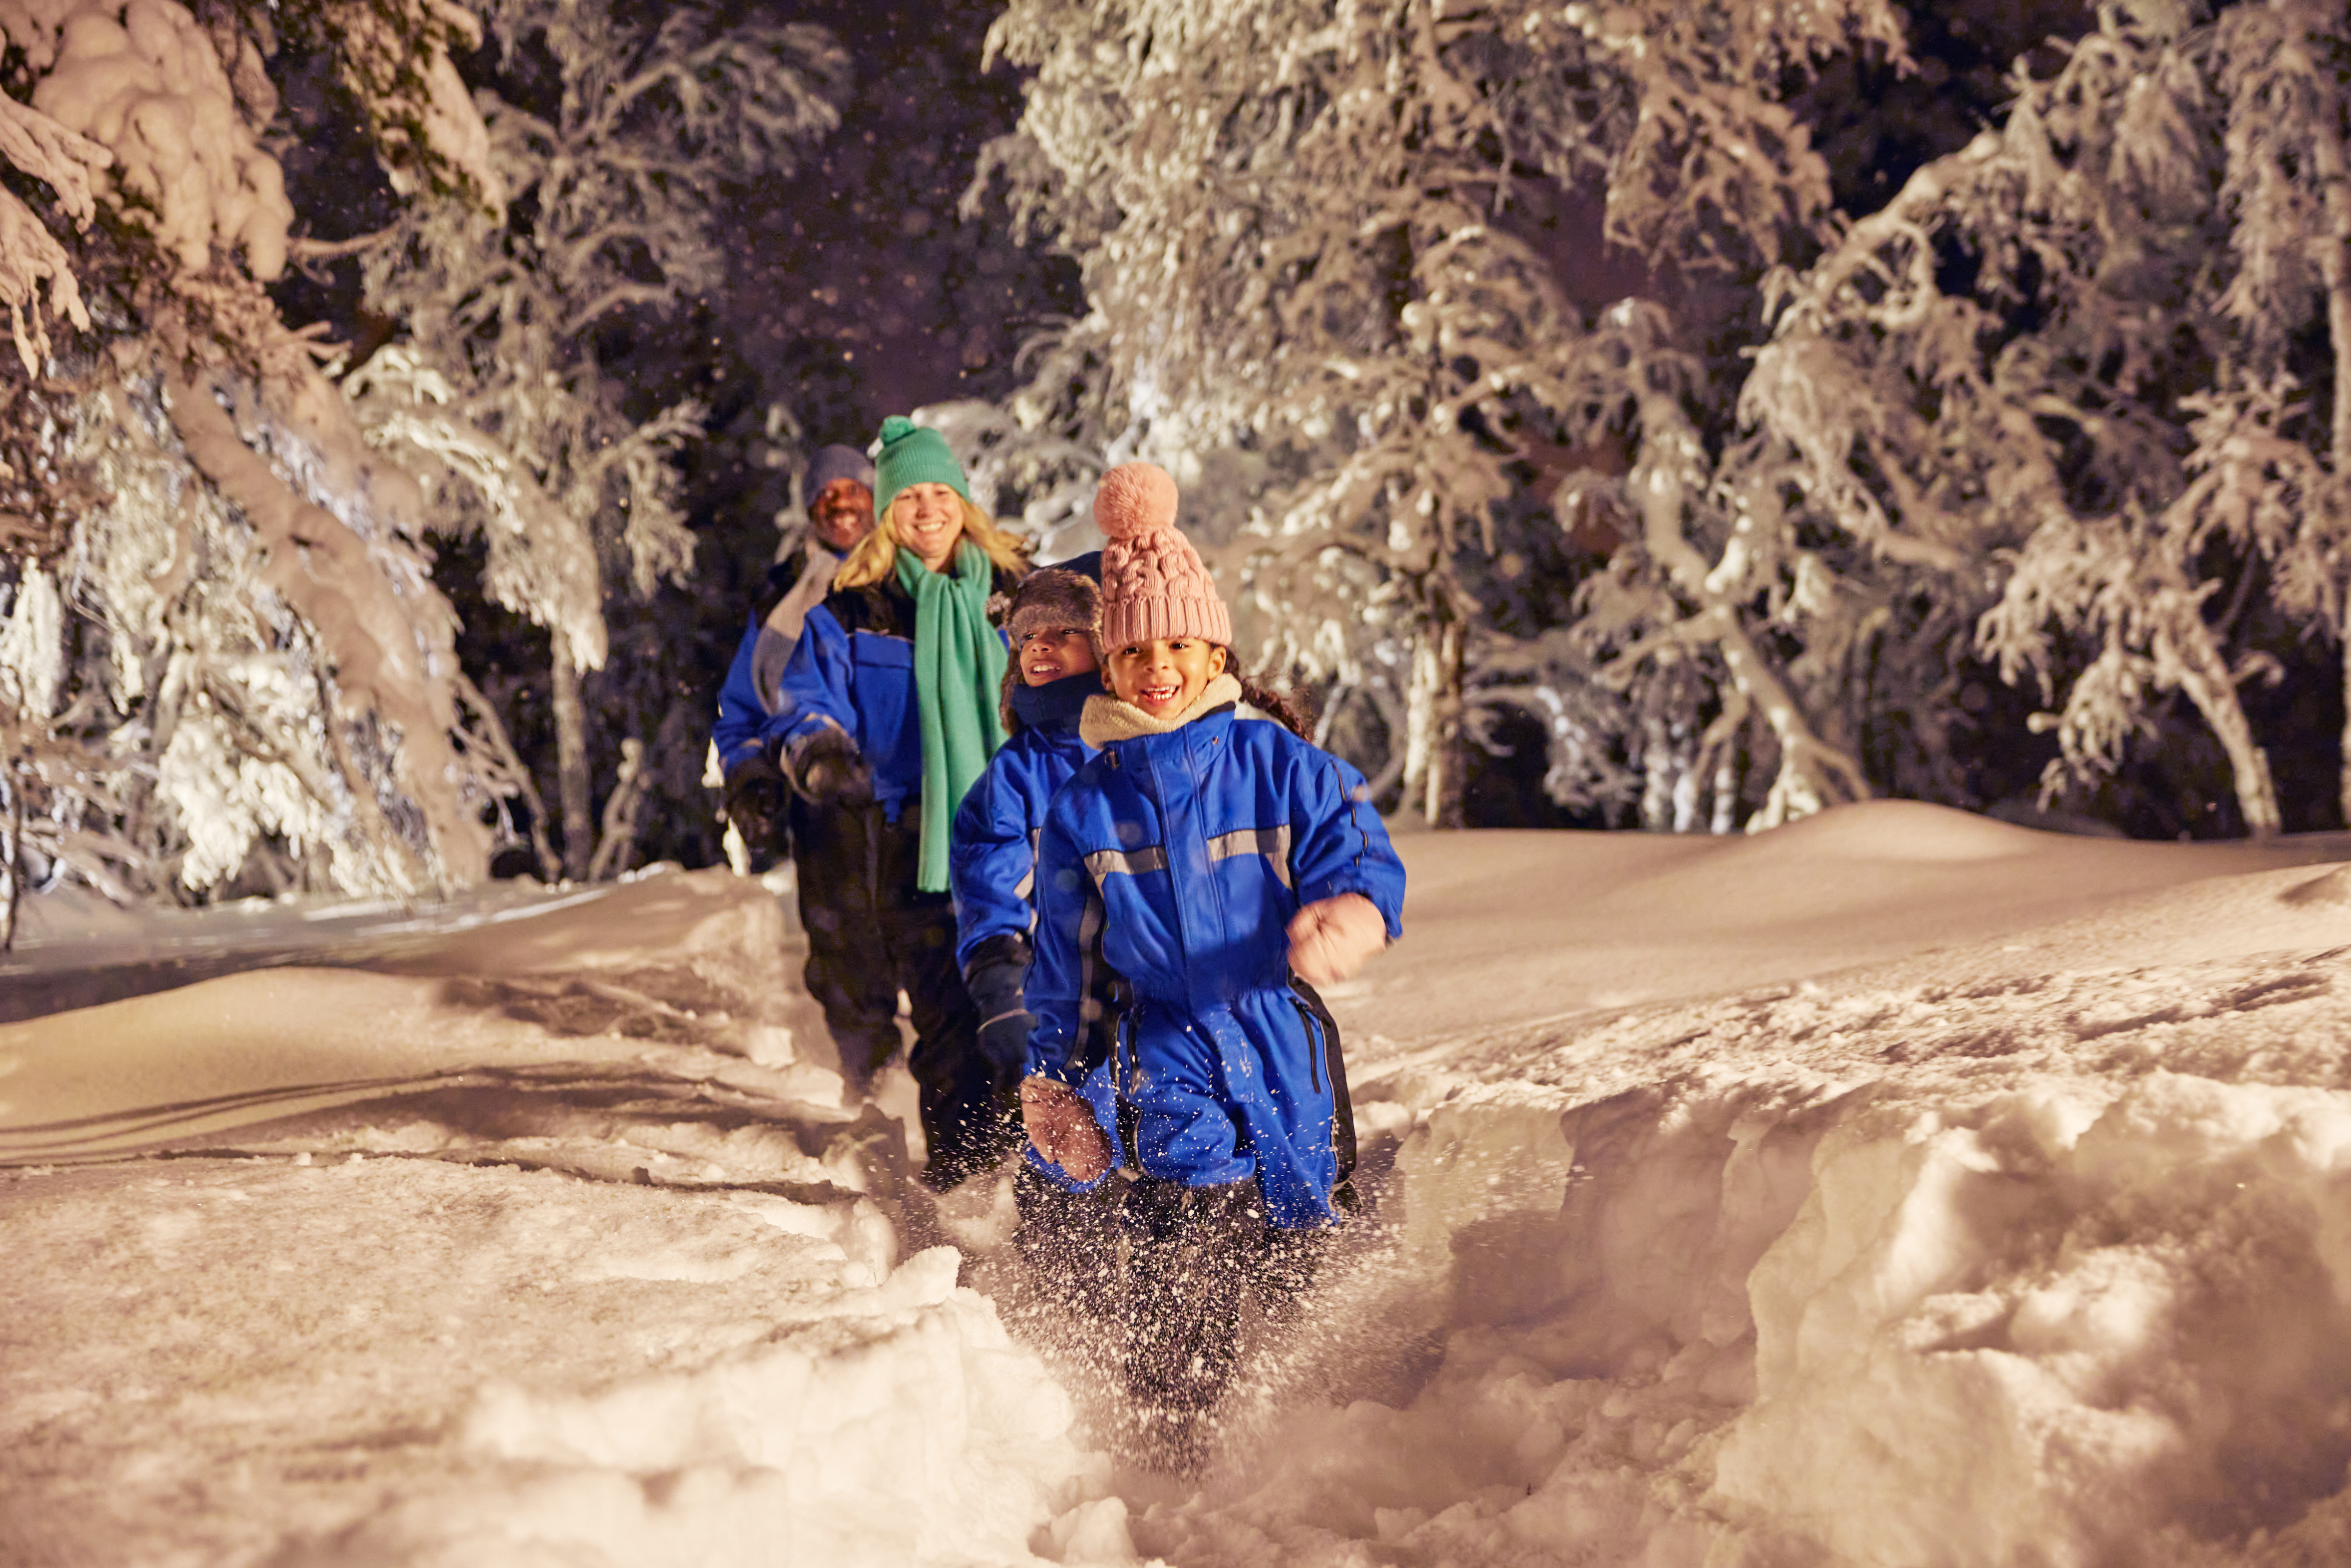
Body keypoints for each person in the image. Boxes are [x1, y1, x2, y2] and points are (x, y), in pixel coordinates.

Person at [1019, 462, 1405, 1453]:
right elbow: (1067, 961)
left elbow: (1353, 840)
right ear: (1109, 669)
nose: (1158, 667)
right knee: (1185, 1232)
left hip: (1284, 1038)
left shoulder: (1278, 763)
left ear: (1214, 650)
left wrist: (1353, 907)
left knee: (1299, 1226)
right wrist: (1056, 1078)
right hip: (1165, 1046)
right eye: (1134, 650)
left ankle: (1304, 1424)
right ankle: (1176, 1438)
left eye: (1178, 645)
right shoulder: (1085, 807)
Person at [767, 416, 1032, 1189]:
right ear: (888, 513)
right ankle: (965, 1189)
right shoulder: (852, 613)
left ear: (964, 501)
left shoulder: (1018, 599)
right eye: (909, 496)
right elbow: (803, 703)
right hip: (916, 848)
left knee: (1032, 1016)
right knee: (949, 1027)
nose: (927, 509)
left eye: (940, 492)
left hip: (1026, 842)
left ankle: (1043, 1183)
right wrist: (819, 751)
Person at [947, 563, 1122, 1315]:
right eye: (1027, 638)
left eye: (1063, 633)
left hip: (1149, 983)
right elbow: (993, 883)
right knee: (1065, 1130)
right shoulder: (1016, 774)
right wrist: (1000, 976)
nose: (1041, 648)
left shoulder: (1140, 743)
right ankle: (1068, 1306)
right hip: (1058, 990)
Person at [714, 443, 910, 1084]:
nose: (841, 504)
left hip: (913, 794)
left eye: (853, 489)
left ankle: (959, 1102)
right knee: (845, 953)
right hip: (825, 804)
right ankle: (876, 1086)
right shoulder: (784, 597)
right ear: (809, 510)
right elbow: (742, 708)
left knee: (937, 949)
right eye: (826, 495)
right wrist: (748, 773)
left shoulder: (913, 577)